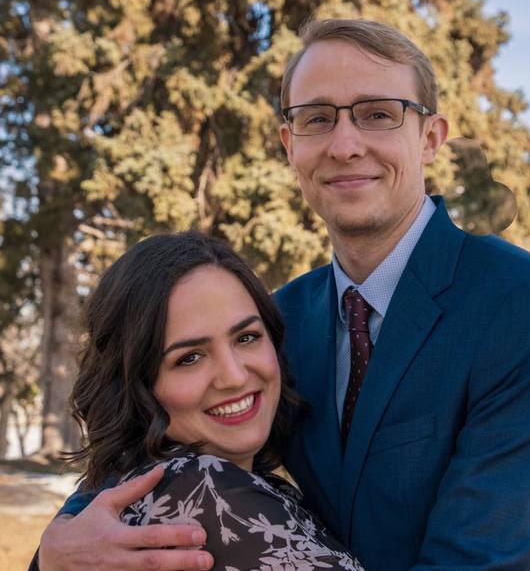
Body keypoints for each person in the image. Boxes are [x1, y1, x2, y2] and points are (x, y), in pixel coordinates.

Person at [37, 18, 530, 571]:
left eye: (378, 114)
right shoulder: (275, 325)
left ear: (431, 138)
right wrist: (56, 550)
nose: (344, 146)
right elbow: (138, 452)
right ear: (289, 144)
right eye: (317, 119)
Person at [31, 231, 364, 570]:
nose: (234, 376)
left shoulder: (148, 489)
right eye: (189, 357)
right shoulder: (203, 491)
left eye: (247, 337)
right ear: (136, 385)